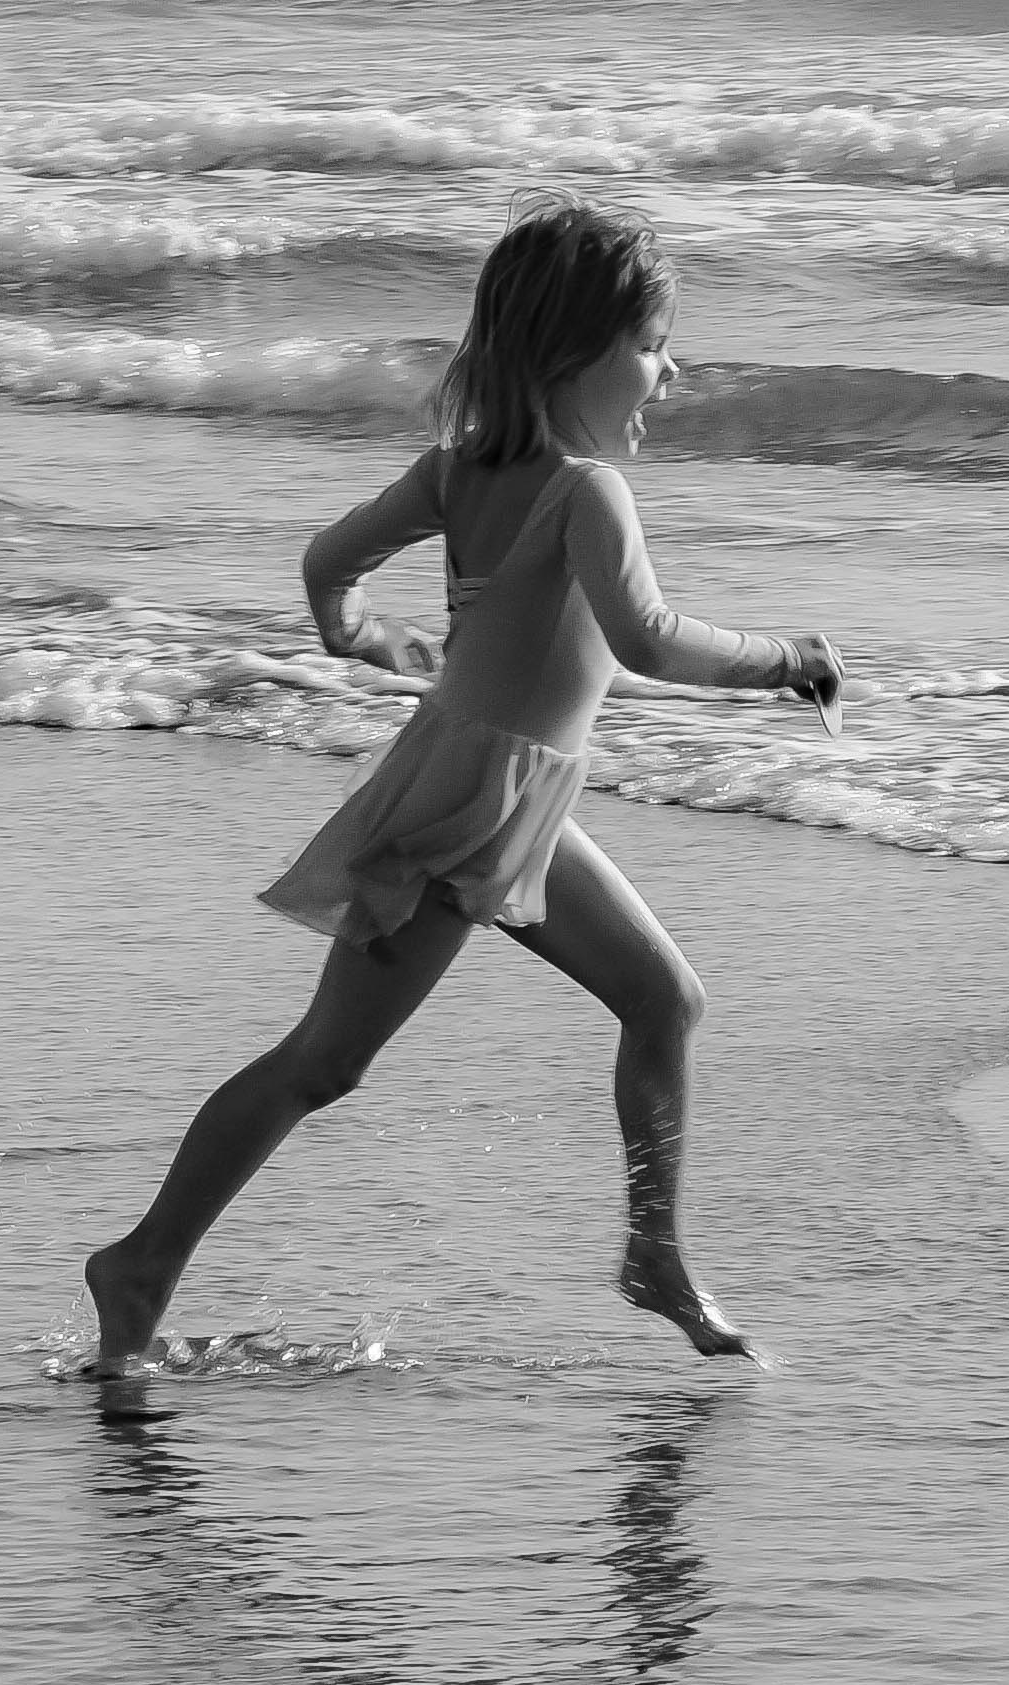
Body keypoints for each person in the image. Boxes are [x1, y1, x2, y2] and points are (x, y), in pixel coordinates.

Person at [84, 196, 839, 1381]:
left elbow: (327, 562)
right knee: (324, 1061)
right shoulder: (587, 491)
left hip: (506, 790)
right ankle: (139, 1261)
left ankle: (655, 1253)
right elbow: (645, 640)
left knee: (663, 998)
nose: (668, 367)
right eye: (649, 344)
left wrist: (357, 634)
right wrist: (785, 659)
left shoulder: (460, 469)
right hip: (466, 809)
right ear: (569, 353)